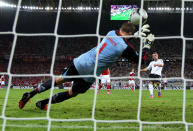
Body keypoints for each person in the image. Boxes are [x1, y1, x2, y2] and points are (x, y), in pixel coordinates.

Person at [19, 22, 155, 110]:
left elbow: (122, 37)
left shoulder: (111, 32)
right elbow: (141, 60)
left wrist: (135, 35)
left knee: (59, 79)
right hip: (90, 72)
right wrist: (147, 44)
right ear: (129, 34)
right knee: (73, 93)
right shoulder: (124, 48)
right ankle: (43, 103)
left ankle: (30, 94)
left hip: (81, 61)